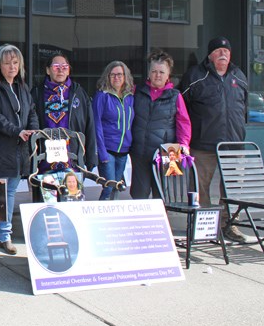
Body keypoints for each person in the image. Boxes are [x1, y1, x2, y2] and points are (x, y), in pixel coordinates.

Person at [179, 37, 249, 243]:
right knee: (200, 188)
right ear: (209, 55)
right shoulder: (195, 76)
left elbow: (244, 108)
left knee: (232, 187)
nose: (223, 54)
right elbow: (181, 108)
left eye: (226, 51)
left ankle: (229, 225)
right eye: (218, 51)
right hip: (204, 144)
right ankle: (204, 226)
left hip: (233, 144)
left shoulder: (239, 76)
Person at [0, 44, 38, 259]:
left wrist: (32, 129)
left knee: (10, 193)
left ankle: (5, 236)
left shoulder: (22, 86)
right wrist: (17, 131)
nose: (12, 67)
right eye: (7, 63)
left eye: (15, 62)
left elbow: (31, 110)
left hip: (17, 150)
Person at [130, 50, 191, 199]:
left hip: (169, 151)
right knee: (139, 194)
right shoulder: (137, 92)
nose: (158, 75)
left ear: (168, 75)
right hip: (140, 150)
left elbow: (184, 122)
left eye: (162, 72)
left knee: (164, 195)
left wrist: (184, 144)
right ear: (149, 73)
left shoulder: (176, 95)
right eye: (154, 71)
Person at [32, 52, 97, 178]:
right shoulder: (36, 93)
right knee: (47, 196)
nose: (60, 70)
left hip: (72, 159)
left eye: (64, 67)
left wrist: (90, 157)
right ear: (48, 70)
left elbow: (90, 125)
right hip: (44, 160)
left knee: (72, 195)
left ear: (68, 71)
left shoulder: (79, 93)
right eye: (56, 67)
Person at [92, 61, 135, 200]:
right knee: (109, 186)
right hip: (108, 149)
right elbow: (96, 124)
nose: (117, 78)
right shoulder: (102, 96)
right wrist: (101, 152)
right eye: (113, 74)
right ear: (108, 76)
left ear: (125, 76)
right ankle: (101, 216)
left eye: (120, 74)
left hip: (123, 150)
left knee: (117, 187)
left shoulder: (130, 96)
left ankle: (112, 216)